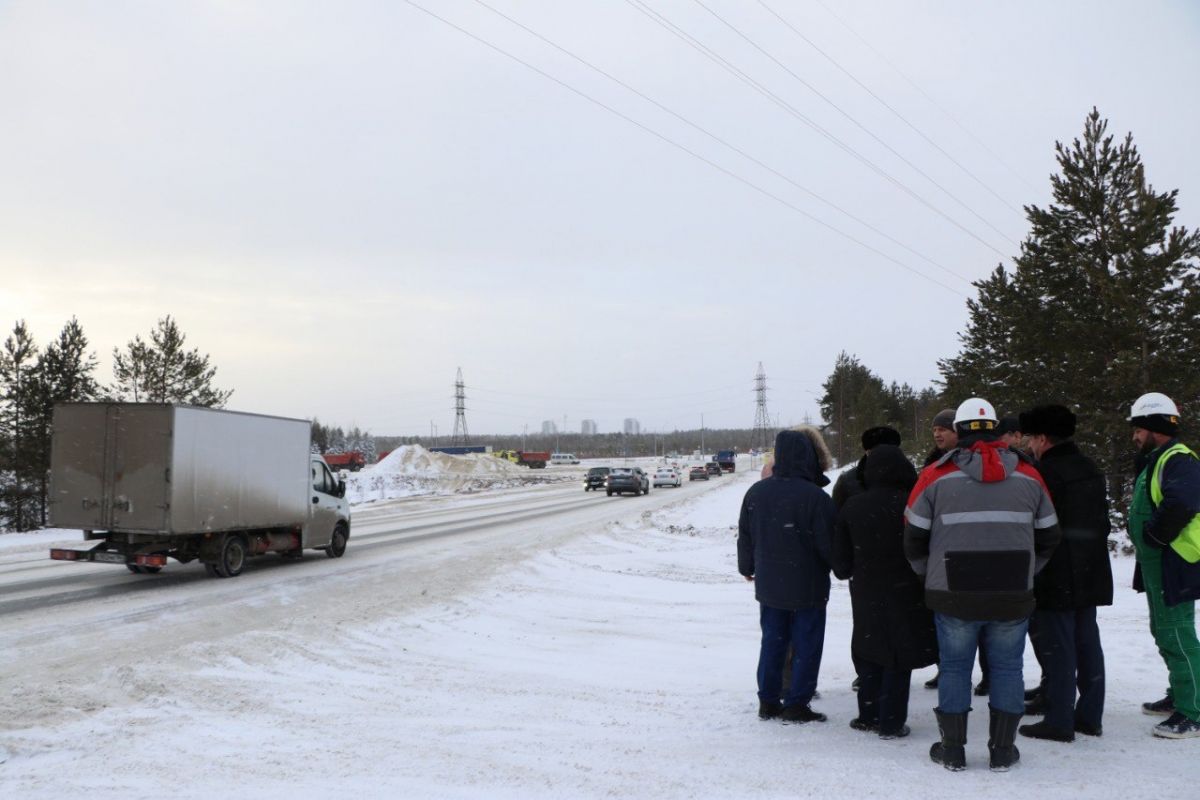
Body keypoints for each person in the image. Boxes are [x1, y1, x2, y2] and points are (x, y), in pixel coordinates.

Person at [904, 397, 1061, 771]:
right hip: (1012, 592)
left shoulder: (934, 476)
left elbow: (912, 537)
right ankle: (1003, 750)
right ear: (995, 429)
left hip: (953, 592)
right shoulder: (1030, 475)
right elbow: (1050, 535)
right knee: (1008, 668)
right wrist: (1027, 569)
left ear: (958, 431)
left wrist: (931, 574)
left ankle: (953, 749)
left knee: (955, 668)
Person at [1016, 405, 1113, 742]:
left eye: (1031, 438)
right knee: (1087, 643)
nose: (1029, 445)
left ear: (1043, 438)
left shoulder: (1045, 473)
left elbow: (1039, 525)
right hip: (1091, 568)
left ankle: (1058, 720)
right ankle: (1089, 716)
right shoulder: (1089, 467)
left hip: (1056, 571)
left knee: (1058, 647)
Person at [833, 444, 936, 739]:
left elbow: (840, 564)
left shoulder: (853, 506)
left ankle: (868, 714)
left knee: (869, 649)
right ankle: (891, 720)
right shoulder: (914, 503)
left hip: (866, 591)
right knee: (900, 653)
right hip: (909, 589)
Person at [738, 427, 836, 724]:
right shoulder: (815, 497)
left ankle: (768, 701)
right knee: (806, 645)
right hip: (808, 586)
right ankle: (796, 703)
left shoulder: (756, 492)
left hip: (770, 584)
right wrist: (842, 567)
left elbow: (746, 535)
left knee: (773, 641)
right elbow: (828, 543)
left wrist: (747, 567)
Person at [1127, 392, 1200, 739]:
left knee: (1178, 634)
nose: (1135, 437)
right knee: (1164, 631)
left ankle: (1194, 710)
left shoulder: (1177, 459)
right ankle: (1182, 695)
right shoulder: (1158, 459)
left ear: (1154, 427)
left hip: (1175, 561)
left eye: (1138, 429)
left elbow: (1182, 502)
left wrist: (1154, 538)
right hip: (1159, 563)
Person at [832, 426, 902, 510]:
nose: (882, 456)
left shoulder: (907, 478)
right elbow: (835, 517)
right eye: (876, 452)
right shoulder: (847, 481)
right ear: (867, 452)